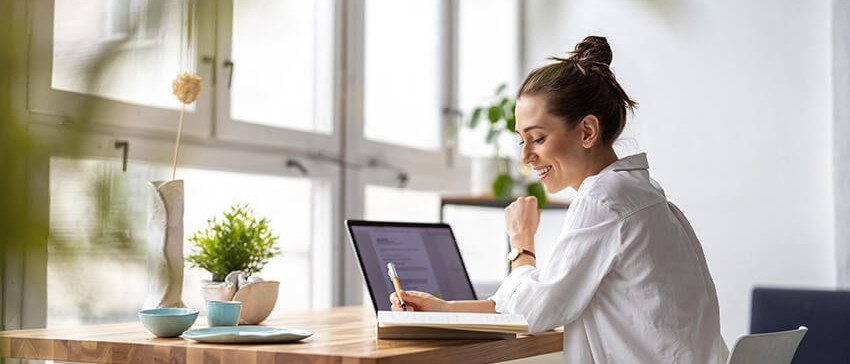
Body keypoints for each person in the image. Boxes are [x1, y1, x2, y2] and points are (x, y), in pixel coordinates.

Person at [389, 36, 729, 363]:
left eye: (537, 138)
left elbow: (534, 312)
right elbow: (544, 297)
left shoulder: (603, 200)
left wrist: (521, 243)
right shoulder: (643, 195)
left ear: (587, 132)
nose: (525, 157)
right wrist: (447, 310)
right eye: (521, 140)